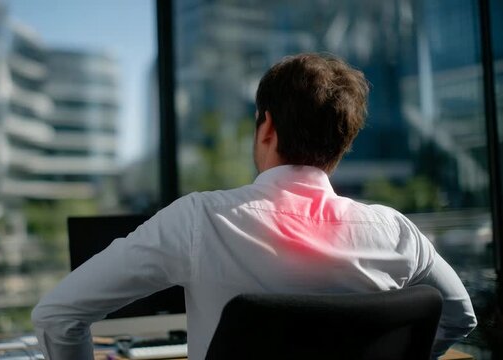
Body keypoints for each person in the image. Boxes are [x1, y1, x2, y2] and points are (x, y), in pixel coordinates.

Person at [32, 53, 477, 360]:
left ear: (266, 127)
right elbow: (461, 317)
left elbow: (58, 315)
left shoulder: (200, 220)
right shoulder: (397, 232)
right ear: (344, 143)